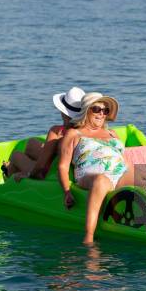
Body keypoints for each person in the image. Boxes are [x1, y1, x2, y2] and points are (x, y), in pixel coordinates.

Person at [58, 92, 134, 244]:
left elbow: (125, 160)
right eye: (96, 109)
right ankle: (89, 237)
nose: (101, 114)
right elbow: (63, 165)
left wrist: (139, 173)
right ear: (86, 110)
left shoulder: (112, 133)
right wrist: (67, 191)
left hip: (119, 174)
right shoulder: (75, 133)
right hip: (91, 175)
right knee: (101, 180)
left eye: (105, 110)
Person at [3, 87, 85, 180]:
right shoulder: (88, 130)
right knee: (31, 143)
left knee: (16, 156)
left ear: (63, 112)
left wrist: (28, 175)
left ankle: (10, 180)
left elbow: (41, 166)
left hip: (50, 174)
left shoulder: (57, 132)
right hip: (69, 169)